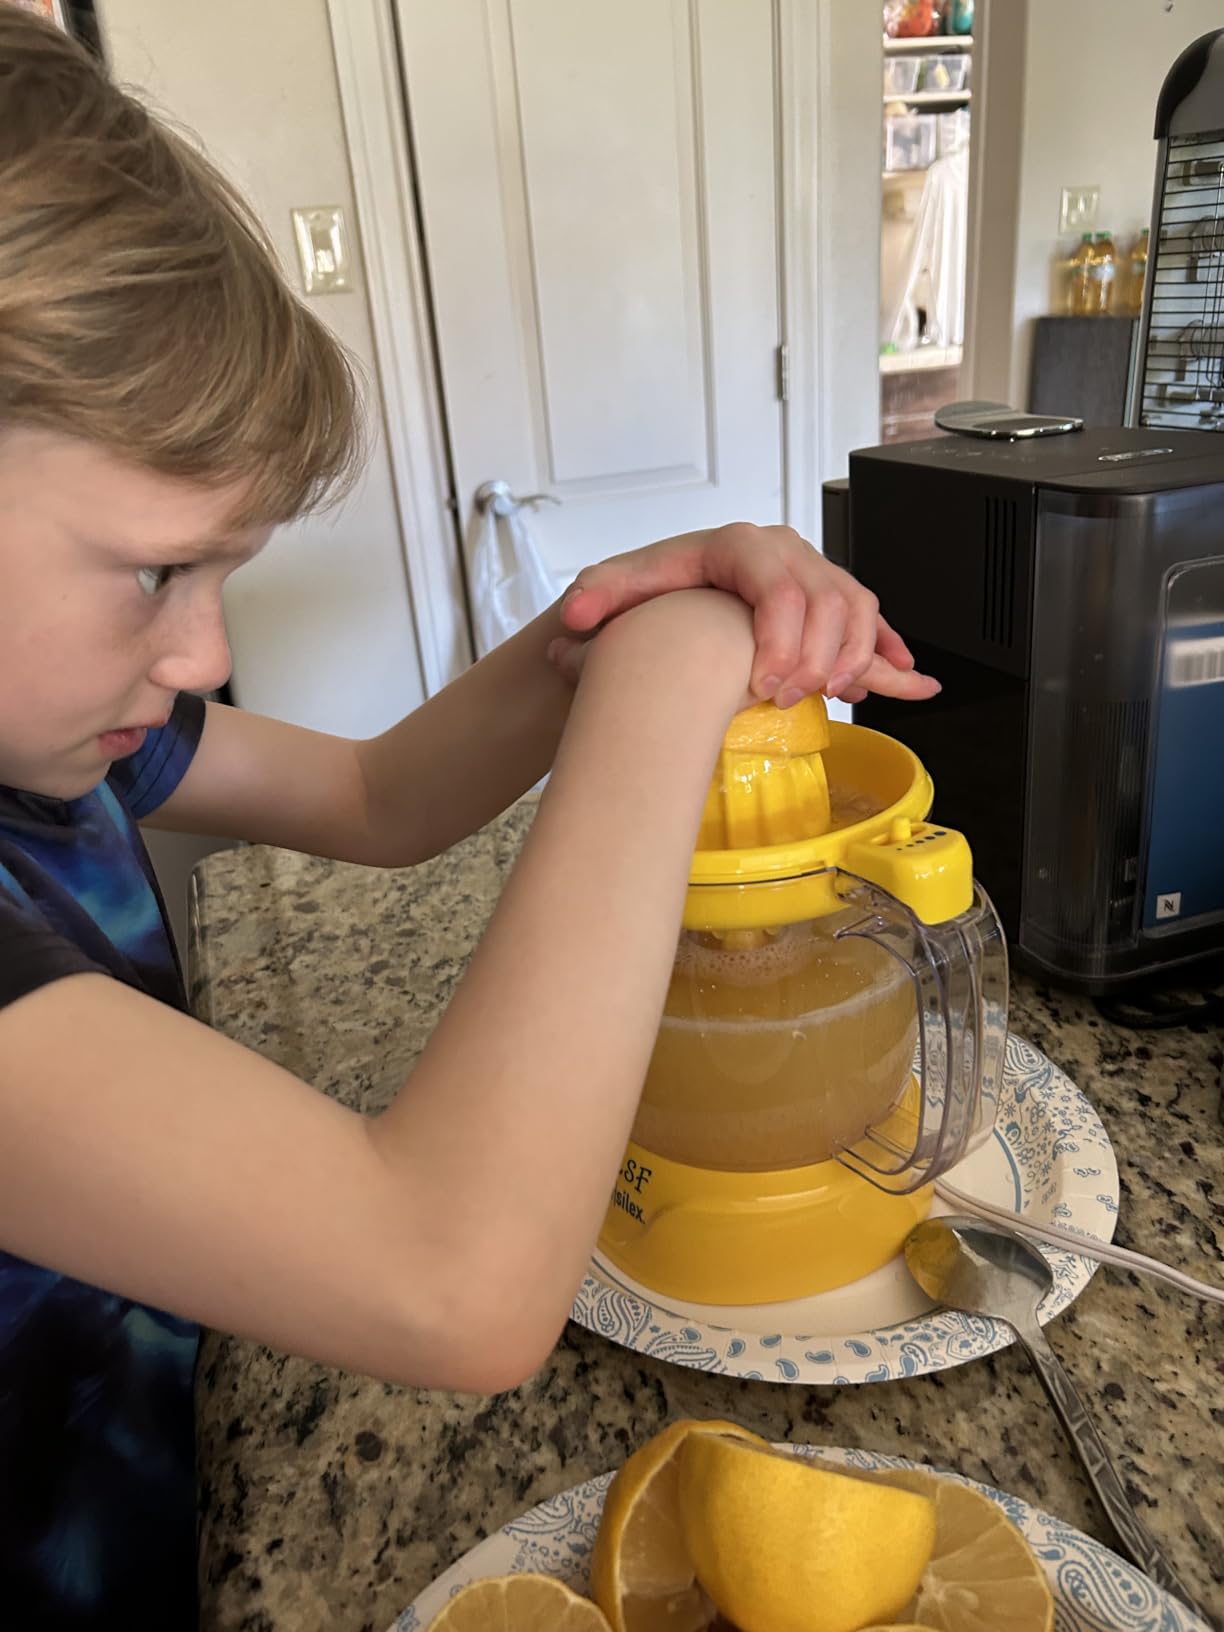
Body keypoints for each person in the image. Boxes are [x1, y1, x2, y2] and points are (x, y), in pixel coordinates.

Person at [0, 9, 938, 1628]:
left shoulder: (53, 750)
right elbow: (453, 1276)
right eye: (157, 567)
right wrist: (673, 674)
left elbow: (378, 797)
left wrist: (626, 603)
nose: (208, 650)